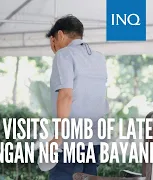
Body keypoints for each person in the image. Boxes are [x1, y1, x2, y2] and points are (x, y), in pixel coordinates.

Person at [45, 15, 109, 179]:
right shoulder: (99, 58)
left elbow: (66, 95)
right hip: (93, 142)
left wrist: (58, 136)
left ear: (60, 35)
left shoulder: (64, 55)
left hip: (70, 143)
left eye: (53, 40)